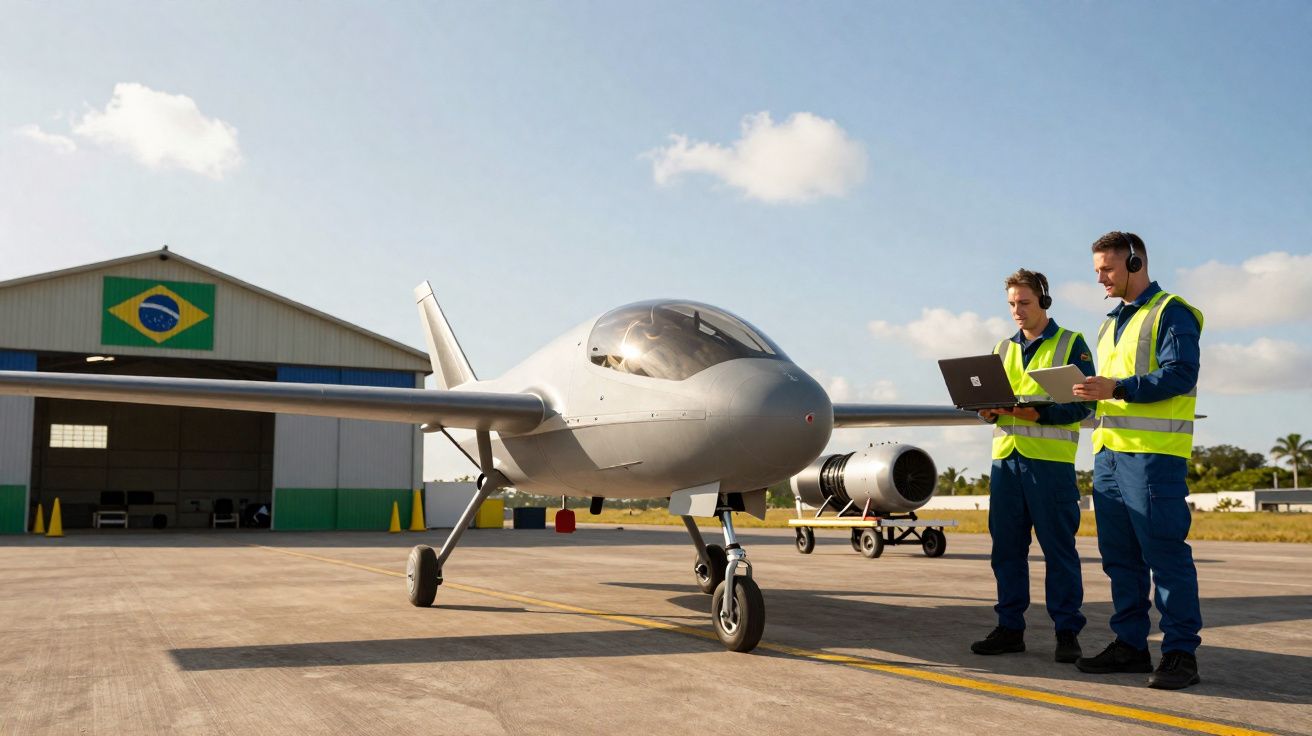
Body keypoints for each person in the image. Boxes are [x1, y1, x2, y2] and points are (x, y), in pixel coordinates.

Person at [1071, 231, 1204, 690]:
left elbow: (1181, 373)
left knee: (1164, 554)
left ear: (1134, 263)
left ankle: (1181, 653)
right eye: (1096, 271)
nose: (1100, 279)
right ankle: (1130, 645)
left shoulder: (1172, 311)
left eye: (1107, 269)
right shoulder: (1109, 323)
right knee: (1120, 558)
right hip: (1108, 455)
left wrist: (1119, 387)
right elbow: (1112, 388)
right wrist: (1089, 391)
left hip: (1152, 457)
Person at [970, 269, 1093, 664]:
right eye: (1011, 304)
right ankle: (1010, 629)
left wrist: (1037, 414)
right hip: (1006, 464)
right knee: (1006, 551)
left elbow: (1084, 405)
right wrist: (987, 411)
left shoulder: (1071, 343)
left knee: (1059, 551)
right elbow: (993, 401)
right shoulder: (1001, 348)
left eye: (1024, 302)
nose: (1017, 311)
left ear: (1044, 301)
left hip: (1050, 466)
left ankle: (1067, 632)